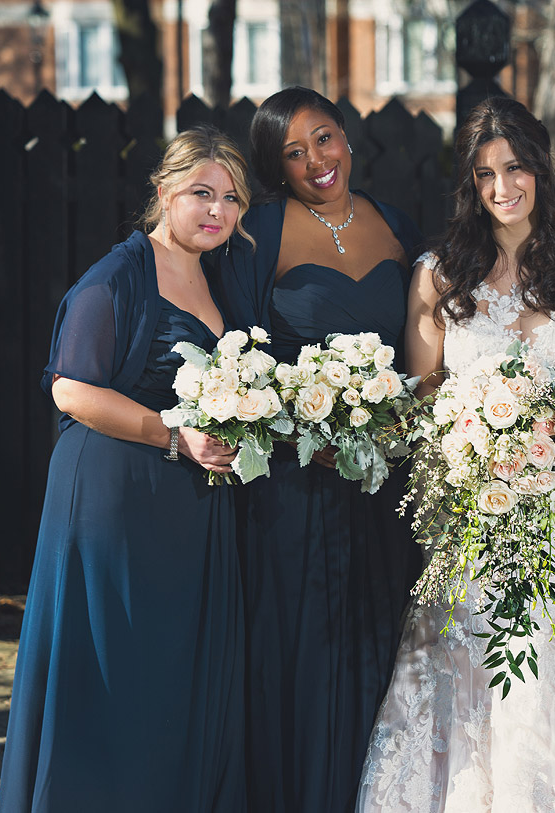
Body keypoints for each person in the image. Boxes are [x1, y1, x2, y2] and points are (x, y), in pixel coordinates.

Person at [357, 95, 555, 812]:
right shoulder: (439, 273)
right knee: (464, 640)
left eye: (515, 168)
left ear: (542, 170)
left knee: (544, 639)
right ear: (471, 185)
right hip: (468, 499)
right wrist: (466, 427)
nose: (502, 188)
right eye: (485, 174)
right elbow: (421, 395)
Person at [0, 126, 251, 811]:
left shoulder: (215, 273)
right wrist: (173, 435)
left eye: (231, 199)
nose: (217, 211)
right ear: (164, 192)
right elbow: (70, 389)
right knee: (111, 670)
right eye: (202, 192)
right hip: (112, 495)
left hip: (185, 507)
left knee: (166, 681)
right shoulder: (116, 276)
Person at [214, 86, 424, 812]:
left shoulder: (396, 225)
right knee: (302, 650)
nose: (316, 161)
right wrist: (304, 429)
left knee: (383, 640)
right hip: (294, 484)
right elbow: (237, 350)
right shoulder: (261, 233)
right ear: (277, 168)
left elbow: (426, 350)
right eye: (294, 153)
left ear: (348, 137)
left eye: (325, 138)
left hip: (385, 481)